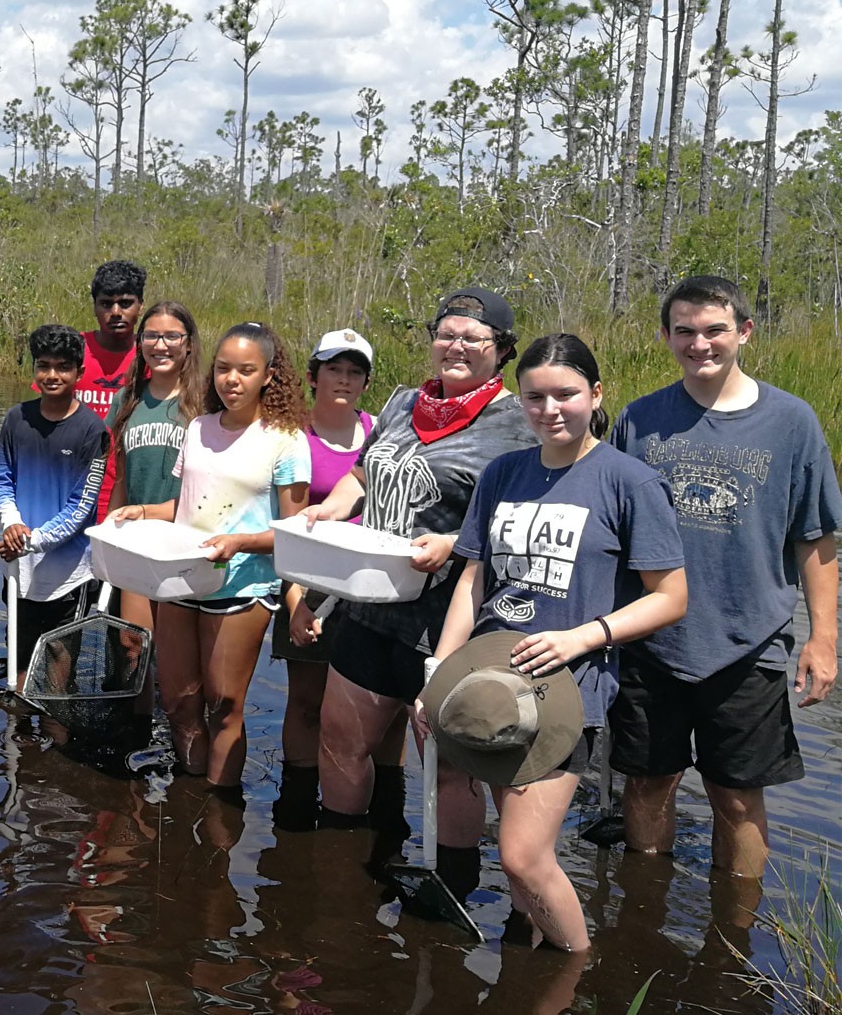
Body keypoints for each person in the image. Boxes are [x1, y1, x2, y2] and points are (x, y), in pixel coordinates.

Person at [422, 332, 688, 952]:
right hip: (488, 682)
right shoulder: (503, 473)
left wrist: (582, 638)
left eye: (565, 395)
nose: (550, 410)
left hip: (568, 691)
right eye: (535, 397)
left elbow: (671, 597)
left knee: (522, 856)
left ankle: (576, 967)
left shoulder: (630, 482)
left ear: (596, 394)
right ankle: (528, 959)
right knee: (518, 856)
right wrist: (439, 675)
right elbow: (473, 580)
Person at [609, 275, 841, 880]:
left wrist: (823, 639)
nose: (700, 344)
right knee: (647, 783)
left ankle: (735, 925)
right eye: (684, 331)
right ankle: (644, 911)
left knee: (737, 797)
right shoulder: (639, 419)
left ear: (745, 331)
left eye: (715, 330)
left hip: (750, 641)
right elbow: (609, 526)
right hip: (650, 639)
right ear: (666, 337)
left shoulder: (792, 422)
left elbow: (816, 537)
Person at [300, 287, 535, 869]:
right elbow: (363, 474)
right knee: (340, 740)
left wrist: (455, 542)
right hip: (367, 605)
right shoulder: (405, 402)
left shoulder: (519, 422)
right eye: (447, 334)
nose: (457, 346)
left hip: (447, 621)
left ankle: (452, 879)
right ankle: (343, 865)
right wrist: (330, 510)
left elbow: (524, 519)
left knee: (448, 764)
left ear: (502, 350)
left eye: (473, 338)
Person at [110, 322, 309, 796]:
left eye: (245, 370)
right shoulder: (199, 427)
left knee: (223, 705)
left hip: (242, 587)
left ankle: (219, 806)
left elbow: (294, 534)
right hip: (183, 579)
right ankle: (188, 794)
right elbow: (186, 506)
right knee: (179, 701)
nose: (231, 380)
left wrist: (240, 542)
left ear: (268, 375)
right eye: (223, 369)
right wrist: (142, 511)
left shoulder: (285, 439)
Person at [272, 328, 381, 827]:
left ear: (366, 382)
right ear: (313, 376)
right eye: (334, 369)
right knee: (305, 702)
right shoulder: (292, 436)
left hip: (368, 587)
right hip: (308, 583)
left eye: (355, 371)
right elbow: (288, 527)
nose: (344, 379)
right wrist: (296, 599)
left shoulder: (381, 433)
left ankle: (377, 806)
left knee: (376, 709)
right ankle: (294, 807)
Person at [0, 325, 110, 680]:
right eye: (43, 365)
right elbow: (1, 480)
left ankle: (56, 719)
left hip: (69, 576)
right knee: (18, 666)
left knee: (60, 673)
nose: (52, 375)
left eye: (63, 367)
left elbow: (81, 507)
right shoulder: (16, 418)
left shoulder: (93, 430)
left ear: (79, 372)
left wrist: (30, 540)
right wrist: (12, 523)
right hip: (18, 570)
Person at [104, 302, 205, 685]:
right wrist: (108, 535)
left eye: (172, 336)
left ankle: (172, 722)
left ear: (189, 343)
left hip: (187, 545)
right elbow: (122, 477)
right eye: (151, 336)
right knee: (133, 646)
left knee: (178, 661)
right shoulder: (127, 400)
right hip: (138, 541)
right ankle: (138, 720)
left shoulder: (205, 403)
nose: (160, 345)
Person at [80, 260, 145, 520]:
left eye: (125, 303)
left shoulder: (154, 355)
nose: (116, 312)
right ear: (94, 306)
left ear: (140, 305)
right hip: (73, 489)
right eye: (106, 304)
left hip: (128, 495)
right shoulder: (74, 349)